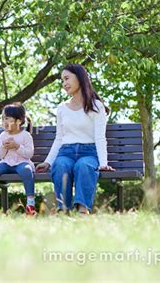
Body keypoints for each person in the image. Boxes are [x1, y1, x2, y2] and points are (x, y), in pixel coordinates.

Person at [36, 63, 115, 215]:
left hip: (89, 153)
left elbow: (100, 137)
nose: (64, 84)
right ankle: (63, 210)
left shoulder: (96, 106)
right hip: (66, 152)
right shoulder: (61, 108)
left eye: (67, 78)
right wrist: (48, 161)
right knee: (60, 166)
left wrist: (103, 163)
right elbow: (59, 138)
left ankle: (82, 211)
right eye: (62, 80)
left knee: (84, 166)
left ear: (80, 78)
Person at [0, 102, 36, 216]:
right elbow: (0, 155)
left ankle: (30, 203)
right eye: (3, 118)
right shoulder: (2, 136)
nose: (4, 121)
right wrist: (4, 147)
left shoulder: (26, 135)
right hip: (6, 163)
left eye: (7, 118)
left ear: (18, 121)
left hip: (21, 163)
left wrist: (17, 146)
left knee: (26, 171)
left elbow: (29, 154)